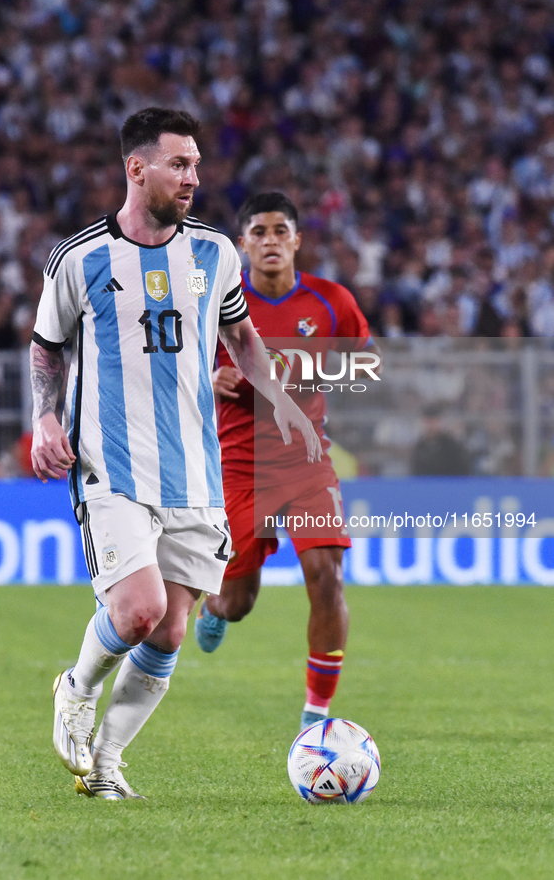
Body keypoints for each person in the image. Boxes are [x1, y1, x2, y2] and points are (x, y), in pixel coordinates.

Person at [30, 110, 320, 801]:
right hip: (112, 465)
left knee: (167, 629)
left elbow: (240, 336)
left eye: (195, 164)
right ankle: (74, 687)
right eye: (179, 165)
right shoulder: (80, 258)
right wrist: (45, 417)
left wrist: (280, 404)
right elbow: (47, 345)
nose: (193, 177)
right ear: (138, 168)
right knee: (135, 610)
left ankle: (105, 763)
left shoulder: (215, 254)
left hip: (194, 469)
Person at [194, 192, 376, 731]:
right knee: (237, 600)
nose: (270, 241)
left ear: (297, 240)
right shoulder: (216, 302)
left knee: (326, 577)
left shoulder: (330, 301)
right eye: (259, 232)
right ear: (242, 243)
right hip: (240, 465)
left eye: (280, 231)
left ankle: (314, 718)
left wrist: (308, 377)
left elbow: (366, 367)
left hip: (307, 462)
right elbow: (171, 371)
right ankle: (213, 610)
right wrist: (210, 379)